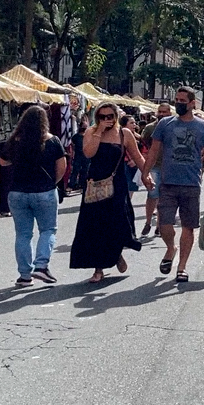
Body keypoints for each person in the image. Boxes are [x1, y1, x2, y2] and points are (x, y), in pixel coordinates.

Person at [142, 87, 204, 283]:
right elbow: (154, 150)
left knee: (188, 227)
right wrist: (145, 173)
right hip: (167, 182)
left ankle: (182, 267)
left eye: (183, 100)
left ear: (193, 103)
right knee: (164, 224)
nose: (179, 103)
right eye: (176, 99)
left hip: (191, 184)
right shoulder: (164, 125)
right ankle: (171, 248)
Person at [70, 102, 145, 283]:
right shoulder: (91, 132)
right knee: (96, 226)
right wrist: (98, 131)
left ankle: (115, 252)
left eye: (110, 116)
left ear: (116, 117)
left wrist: (147, 176)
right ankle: (99, 269)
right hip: (95, 183)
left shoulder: (124, 134)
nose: (106, 120)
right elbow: (88, 153)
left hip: (117, 184)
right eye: (102, 117)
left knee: (118, 222)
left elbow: (137, 156)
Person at [0, 106, 66, 286]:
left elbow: (3, 161)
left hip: (18, 192)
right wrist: (52, 182)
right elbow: (62, 167)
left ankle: (24, 275)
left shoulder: (15, 140)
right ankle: (41, 266)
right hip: (44, 190)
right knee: (48, 230)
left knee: (23, 234)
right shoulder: (52, 141)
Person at [140, 103, 172, 236]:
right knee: (152, 195)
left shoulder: (174, 127)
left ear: (170, 112)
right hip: (154, 166)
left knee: (164, 198)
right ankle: (148, 222)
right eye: (160, 111)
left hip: (169, 167)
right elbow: (143, 141)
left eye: (165, 112)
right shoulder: (150, 128)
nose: (162, 114)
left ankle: (159, 225)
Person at [119, 115, 141, 200]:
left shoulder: (138, 137)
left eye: (135, 123)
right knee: (125, 186)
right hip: (124, 163)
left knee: (132, 187)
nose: (134, 125)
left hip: (135, 164)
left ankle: (127, 204)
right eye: (131, 123)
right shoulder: (119, 135)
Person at [69, 123, 89, 191]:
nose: (84, 129)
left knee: (84, 170)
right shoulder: (76, 136)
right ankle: (72, 184)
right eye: (83, 127)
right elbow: (71, 142)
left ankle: (82, 184)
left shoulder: (87, 136)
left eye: (85, 127)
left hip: (86, 155)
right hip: (78, 155)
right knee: (75, 170)